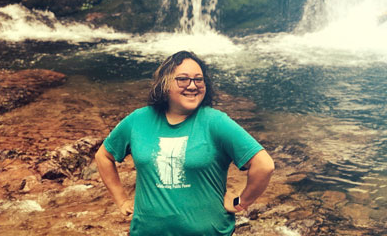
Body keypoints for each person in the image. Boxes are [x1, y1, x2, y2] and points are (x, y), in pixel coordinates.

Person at [95, 51, 274, 236]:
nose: (192, 85)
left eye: (199, 80)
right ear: (164, 83)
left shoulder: (215, 122)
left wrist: (241, 202)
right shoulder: (138, 120)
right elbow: (104, 156)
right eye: (183, 79)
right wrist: (122, 200)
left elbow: (264, 165)